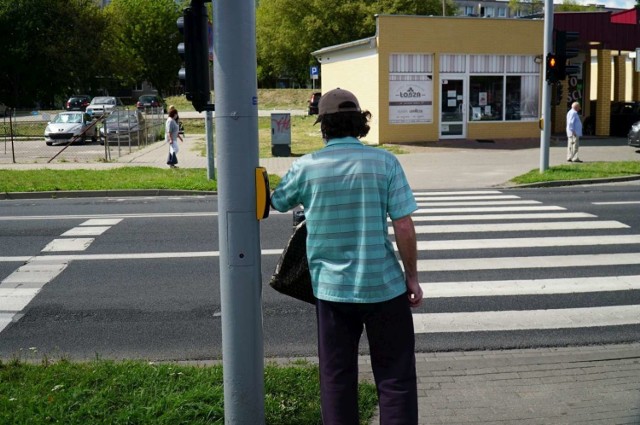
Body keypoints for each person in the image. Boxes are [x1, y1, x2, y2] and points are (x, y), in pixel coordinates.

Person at [270, 88, 423, 424]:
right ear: (359, 123)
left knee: (337, 379)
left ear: (323, 125)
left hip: (332, 292)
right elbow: (405, 227)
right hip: (385, 289)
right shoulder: (385, 162)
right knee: (396, 377)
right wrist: (411, 278)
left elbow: (276, 201)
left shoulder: (307, 167)